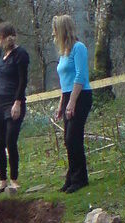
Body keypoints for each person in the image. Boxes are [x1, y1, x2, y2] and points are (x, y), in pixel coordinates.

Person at [52, 14, 93, 193]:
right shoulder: (63, 53)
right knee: (68, 140)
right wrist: (62, 103)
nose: (53, 35)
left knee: (73, 137)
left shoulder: (79, 48)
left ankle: (80, 178)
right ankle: (71, 177)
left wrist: (72, 102)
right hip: (69, 96)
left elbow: (80, 76)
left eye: (55, 31)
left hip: (81, 95)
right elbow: (64, 81)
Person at [0, 22, 29, 193]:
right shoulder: (3, 56)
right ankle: (2, 180)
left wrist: (17, 103)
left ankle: (14, 179)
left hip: (13, 102)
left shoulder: (21, 54)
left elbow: (22, 80)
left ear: (5, 37)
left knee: (10, 140)